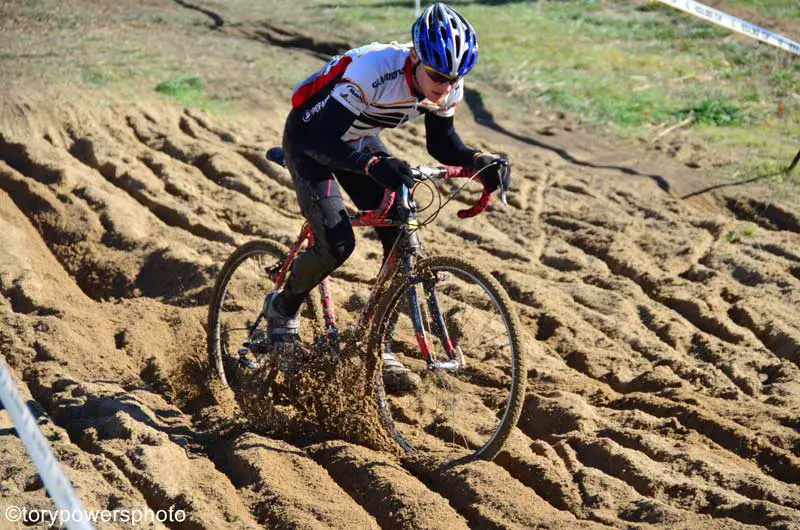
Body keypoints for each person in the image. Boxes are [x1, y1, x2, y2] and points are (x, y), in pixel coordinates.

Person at [267, 2, 511, 392]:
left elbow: (442, 143)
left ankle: (376, 343)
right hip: (310, 139)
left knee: (401, 236)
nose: (445, 86)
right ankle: (283, 310)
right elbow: (321, 139)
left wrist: (480, 161)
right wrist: (368, 166)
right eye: (437, 75)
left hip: (357, 139)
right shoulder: (373, 71)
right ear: (415, 57)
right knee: (338, 243)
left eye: (455, 78)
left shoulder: (445, 84)